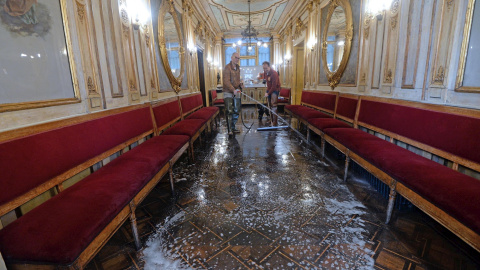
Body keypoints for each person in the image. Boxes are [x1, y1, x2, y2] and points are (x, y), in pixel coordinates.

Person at [223, 52, 243, 135]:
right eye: (236, 57)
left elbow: (237, 80)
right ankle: (229, 130)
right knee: (229, 110)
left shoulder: (238, 68)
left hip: (236, 91)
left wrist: (240, 84)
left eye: (238, 58)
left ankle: (233, 127)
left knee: (236, 110)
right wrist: (233, 89)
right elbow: (226, 81)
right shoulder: (227, 68)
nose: (237, 59)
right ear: (231, 57)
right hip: (228, 92)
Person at [262, 61, 280, 126]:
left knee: (273, 105)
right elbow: (266, 82)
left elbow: (274, 86)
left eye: (266, 68)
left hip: (275, 90)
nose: (265, 70)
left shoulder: (274, 73)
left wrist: (268, 93)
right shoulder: (265, 72)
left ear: (269, 67)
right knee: (269, 105)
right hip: (269, 89)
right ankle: (271, 120)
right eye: (264, 68)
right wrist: (267, 91)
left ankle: (275, 122)